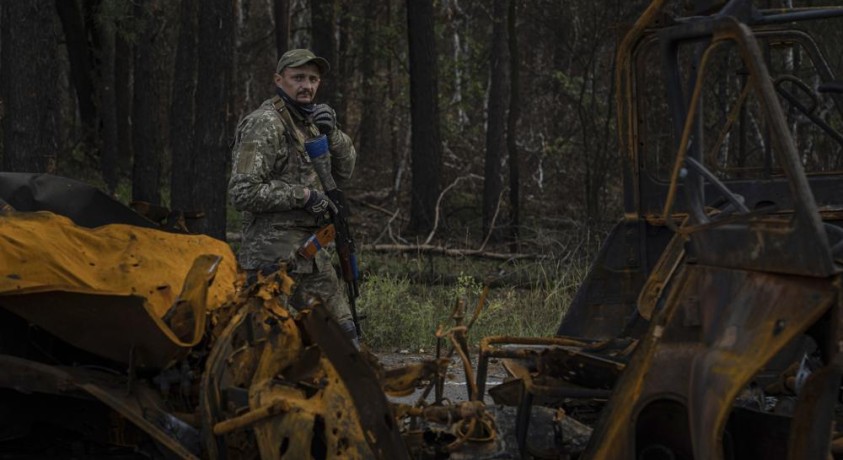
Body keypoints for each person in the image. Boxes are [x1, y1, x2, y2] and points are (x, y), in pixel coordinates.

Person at [228, 49, 358, 344]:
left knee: (343, 332)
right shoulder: (265, 123)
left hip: (310, 253)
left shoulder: (310, 121)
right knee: (268, 344)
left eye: (313, 79)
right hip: (270, 257)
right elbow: (242, 192)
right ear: (279, 80)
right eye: (298, 77)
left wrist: (333, 133)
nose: (307, 85)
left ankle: (342, 390)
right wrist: (303, 195)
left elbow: (345, 171)